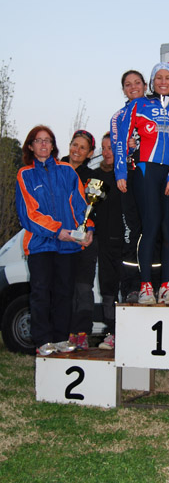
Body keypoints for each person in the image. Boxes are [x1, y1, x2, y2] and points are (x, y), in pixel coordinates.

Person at [114, 62, 169, 305]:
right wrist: (121, 172)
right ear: (152, 82)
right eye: (159, 78)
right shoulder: (139, 105)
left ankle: (166, 285)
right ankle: (146, 285)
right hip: (146, 171)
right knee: (151, 226)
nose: (164, 82)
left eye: (168, 77)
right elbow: (122, 139)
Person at [15, 125, 93, 356]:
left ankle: (60, 338)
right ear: (31, 146)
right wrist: (57, 230)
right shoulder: (24, 174)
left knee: (64, 293)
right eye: (38, 141)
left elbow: (80, 204)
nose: (43, 144)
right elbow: (28, 214)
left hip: (68, 245)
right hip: (40, 245)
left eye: (47, 140)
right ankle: (42, 341)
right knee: (40, 293)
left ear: (53, 145)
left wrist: (88, 229)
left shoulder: (68, 171)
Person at [110, 70, 148, 301]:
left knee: (154, 231)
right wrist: (127, 145)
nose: (133, 87)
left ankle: (154, 283)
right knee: (131, 232)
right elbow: (117, 147)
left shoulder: (155, 109)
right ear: (123, 89)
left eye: (137, 83)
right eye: (128, 84)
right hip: (130, 179)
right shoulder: (118, 116)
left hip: (154, 178)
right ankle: (131, 286)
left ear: (145, 85)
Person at [62, 129, 97, 350]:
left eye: (82, 148)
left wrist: (89, 232)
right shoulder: (54, 169)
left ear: (90, 153)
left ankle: (82, 333)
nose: (77, 150)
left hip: (84, 241)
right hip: (59, 239)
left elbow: (92, 211)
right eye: (75, 145)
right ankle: (62, 332)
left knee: (83, 288)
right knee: (62, 288)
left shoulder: (92, 178)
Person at [92, 133, 127, 350]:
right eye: (103, 148)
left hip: (126, 242)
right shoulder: (95, 176)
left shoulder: (127, 175)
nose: (106, 152)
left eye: (111, 148)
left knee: (127, 287)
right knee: (107, 288)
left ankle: (128, 333)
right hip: (104, 242)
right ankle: (111, 331)